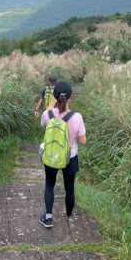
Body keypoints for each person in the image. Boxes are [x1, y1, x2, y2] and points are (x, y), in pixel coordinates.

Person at [39, 81, 86, 228]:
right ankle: (69, 214)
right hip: (70, 157)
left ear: (55, 96)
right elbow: (83, 141)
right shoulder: (77, 117)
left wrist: (51, 104)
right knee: (69, 187)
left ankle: (48, 218)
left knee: (49, 184)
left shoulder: (47, 114)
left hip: (51, 155)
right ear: (70, 97)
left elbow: (44, 125)